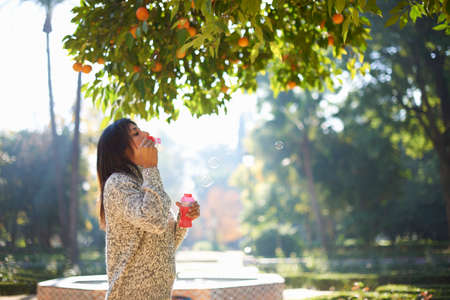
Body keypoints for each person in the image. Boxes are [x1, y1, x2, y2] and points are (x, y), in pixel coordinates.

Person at [96, 118, 200, 300]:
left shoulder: (145, 182)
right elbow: (154, 221)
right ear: (121, 151)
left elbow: (166, 243)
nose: (145, 134)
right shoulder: (117, 183)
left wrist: (184, 219)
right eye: (136, 133)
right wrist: (151, 167)